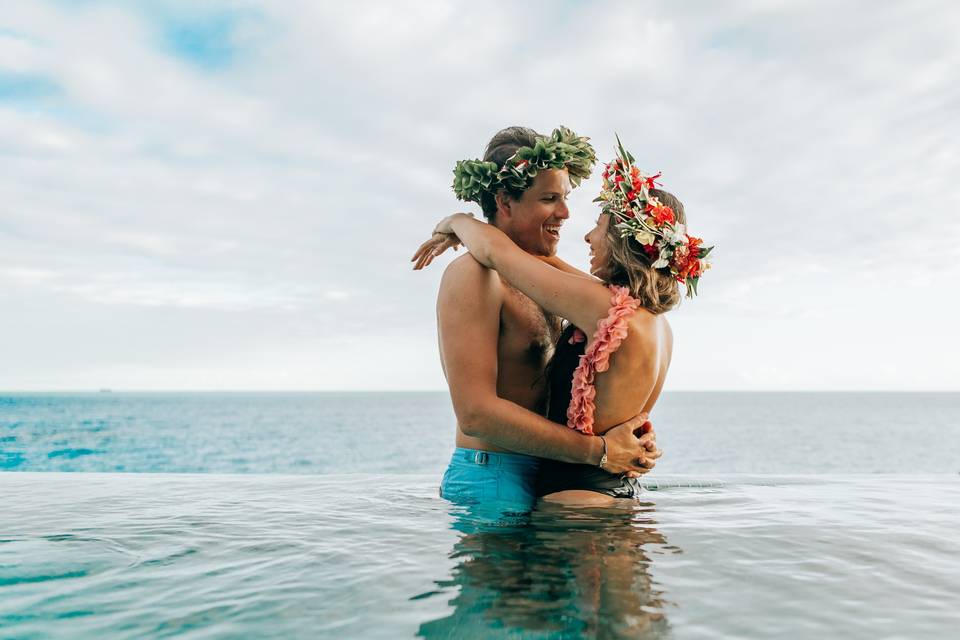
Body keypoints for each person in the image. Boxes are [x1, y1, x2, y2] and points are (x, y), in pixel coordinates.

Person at [414, 136, 711, 505]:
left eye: (565, 198)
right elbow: (474, 414)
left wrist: (458, 223)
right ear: (505, 202)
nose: (568, 216)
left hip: (560, 474)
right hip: (496, 475)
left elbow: (503, 252)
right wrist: (600, 450)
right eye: (550, 199)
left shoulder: (591, 299)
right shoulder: (475, 276)